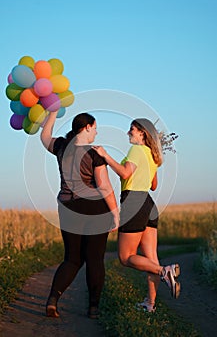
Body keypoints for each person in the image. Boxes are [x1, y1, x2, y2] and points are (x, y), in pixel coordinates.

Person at [93, 118, 181, 313]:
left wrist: (105, 156)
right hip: (148, 204)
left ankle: (164, 272)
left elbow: (125, 173)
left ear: (142, 133)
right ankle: (150, 304)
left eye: (132, 129)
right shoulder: (153, 154)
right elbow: (154, 185)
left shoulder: (137, 150)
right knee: (151, 257)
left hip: (133, 201)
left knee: (125, 257)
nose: (128, 133)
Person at [40, 111, 119, 319]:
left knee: (72, 258)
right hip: (94, 209)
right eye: (95, 127)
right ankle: (93, 308)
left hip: (68, 208)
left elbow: (44, 137)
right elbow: (103, 187)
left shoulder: (61, 147)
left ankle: (52, 300)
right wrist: (116, 213)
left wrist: (53, 113)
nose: (96, 131)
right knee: (94, 259)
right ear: (86, 128)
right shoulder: (94, 154)